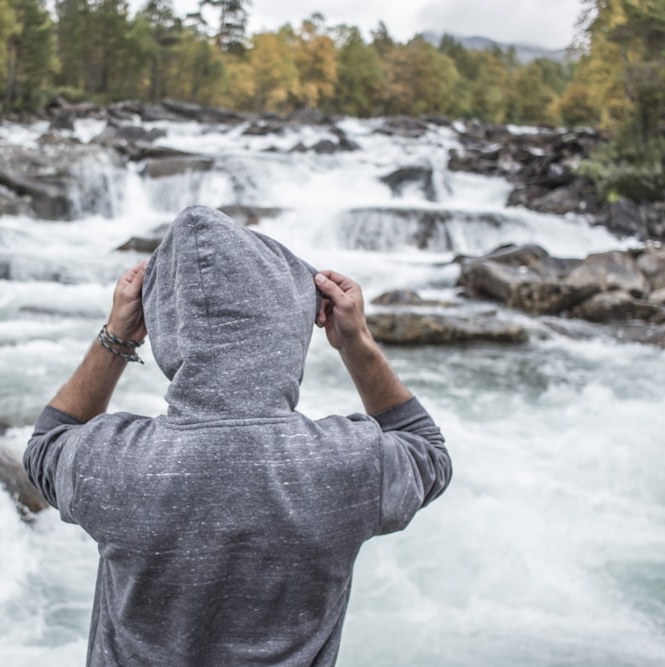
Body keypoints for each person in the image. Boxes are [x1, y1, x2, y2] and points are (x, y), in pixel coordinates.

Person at [24, 205, 452, 666]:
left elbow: (48, 443)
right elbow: (426, 449)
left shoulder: (109, 462)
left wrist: (117, 336)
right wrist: (356, 341)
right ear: (289, 327)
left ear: (165, 325)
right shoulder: (350, 463)